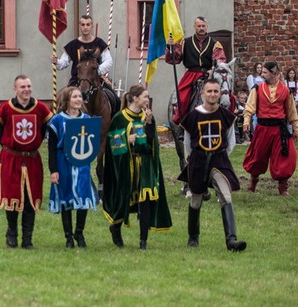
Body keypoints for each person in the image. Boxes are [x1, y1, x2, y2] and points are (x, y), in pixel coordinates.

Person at [179, 78, 247, 252]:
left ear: (220, 93)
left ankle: (231, 240)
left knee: (226, 196)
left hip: (219, 161)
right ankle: (193, 238)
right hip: (198, 161)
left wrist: (221, 155)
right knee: (196, 200)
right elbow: (187, 142)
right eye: (209, 91)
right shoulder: (193, 116)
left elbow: (230, 140)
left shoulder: (225, 115)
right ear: (203, 93)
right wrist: (195, 158)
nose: (212, 94)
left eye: (216, 91)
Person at [102, 84, 172, 250]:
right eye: (145, 96)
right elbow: (112, 144)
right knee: (123, 200)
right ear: (135, 98)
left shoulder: (147, 117)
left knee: (145, 201)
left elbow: (151, 143)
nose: (148, 99)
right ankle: (116, 228)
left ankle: (143, 241)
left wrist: (149, 124)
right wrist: (126, 138)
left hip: (145, 165)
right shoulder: (119, 118)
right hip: (126, 165)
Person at [0, 75, 52, 249]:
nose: (26, 90)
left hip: (32, 159)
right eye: (22, 87)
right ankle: (12, 234)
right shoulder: (6, 108)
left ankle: (27, 239)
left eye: (28, 86)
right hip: (11, 158)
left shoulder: (40, 108)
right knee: (12, 197)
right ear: (15, 89)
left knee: (30, 199)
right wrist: (11, 148)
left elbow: (43, 130)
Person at [47, 86, 98, 249]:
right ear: (67, 100)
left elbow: (92, 143)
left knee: (83, 197)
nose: (78, 100)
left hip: (82, 163)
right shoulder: (57, 120)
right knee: (66, 199)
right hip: (63, 163)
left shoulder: (87, 119)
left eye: (80, 97)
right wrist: (53, 170)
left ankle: (79, 233)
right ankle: (68, 236)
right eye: (75, 97)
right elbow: (52, 148)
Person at [242, 61, 298, 195]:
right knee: (257, 156)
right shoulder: (257, 88)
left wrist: (295, 128)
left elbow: (291, 111)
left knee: (283, 157)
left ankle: (283, 187)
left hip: (279, 130)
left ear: (274, 73)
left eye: (265, 72)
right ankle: (253, 182)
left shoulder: (286, 90)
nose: (262, 74)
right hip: (263, 128)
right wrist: (246, 121)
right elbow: (250, 106)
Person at [165, 16, 227, 122]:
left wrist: (213, 69)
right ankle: (182, 121)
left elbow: (220, 60)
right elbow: (175, 59)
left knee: (228, 96)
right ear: (194, 27)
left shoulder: (215, 44)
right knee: (182, 97)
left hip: (209, 75)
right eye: (199, 26)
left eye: (203, 26)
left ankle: (230, 121)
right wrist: (170, 47)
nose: (201, 28)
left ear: (207, 27)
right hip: (191, 74)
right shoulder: (185, 42)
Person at [51, 14, 114, 87]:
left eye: (88, 25)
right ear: (79, 26)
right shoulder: (73, 44)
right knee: (67, 94)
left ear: (92, 26)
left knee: (111, 93)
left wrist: (97, 70)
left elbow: (108, 61)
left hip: (96, 81)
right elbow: (63, 63)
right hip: (76, 81)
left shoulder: (99, 43)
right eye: (83, 25)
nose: (85, 27)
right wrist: (56, 61)